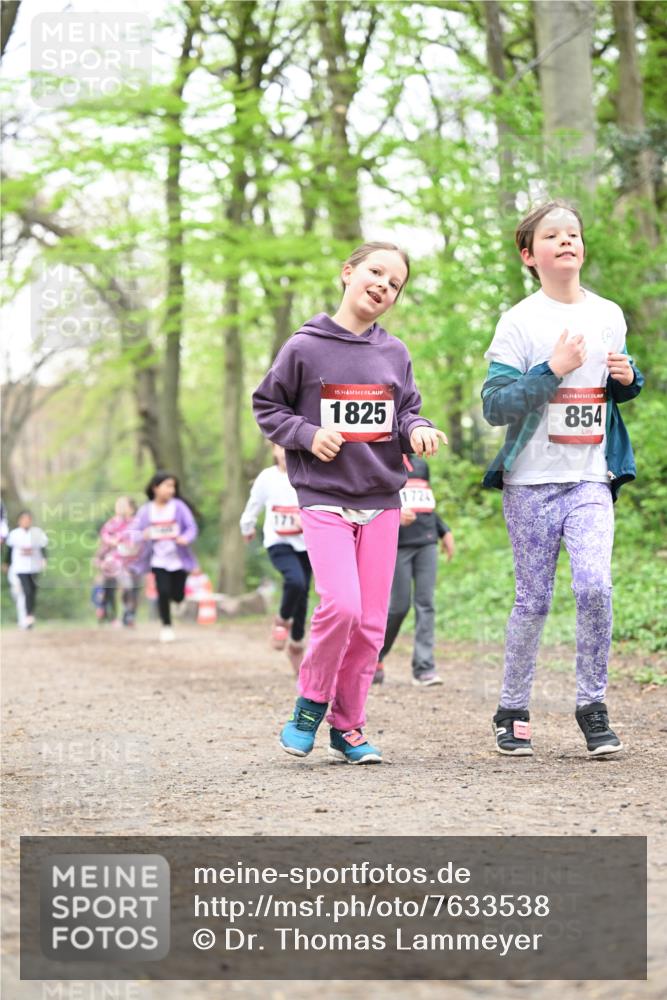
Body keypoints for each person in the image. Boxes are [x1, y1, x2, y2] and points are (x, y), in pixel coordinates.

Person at [253, 241, 447, 764]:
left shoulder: (394, 353)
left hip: (382, 498)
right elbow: (267, 405)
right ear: (348, 273)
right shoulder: (305, 347)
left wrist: (420, 429)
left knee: (370, 622)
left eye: (394, 283)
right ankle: (310, 703)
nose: (383, 285)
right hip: (324, 498)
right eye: (375, 272)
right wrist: (306, 433)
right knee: (341, 605)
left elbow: (405, 413)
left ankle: (349, 727)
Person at [482, 201, 644, 758]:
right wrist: (550, 367)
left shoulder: (609, 314)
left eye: (573, 233)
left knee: (595, 587)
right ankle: (512, 710)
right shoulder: (519, 321)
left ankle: (592, 705)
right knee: (533, 599)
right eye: (553, 235)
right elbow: (496, 406)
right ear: (530, 255)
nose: (567, 241)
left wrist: (628, 377)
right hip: (530, 481)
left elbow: (614, 387)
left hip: (590, 478)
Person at [373, 453, 454, 687]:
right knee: (398, 607)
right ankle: (374, 656)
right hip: (396, 545)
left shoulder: (420, 465)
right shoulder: (379, 461)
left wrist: (444, 531)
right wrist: (394, 516)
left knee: (426, 604)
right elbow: (370, 504)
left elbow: (426, 505)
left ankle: (424, 668)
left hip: (427, 542)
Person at [240, 443, 312, 675]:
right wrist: (247, 526)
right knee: (295, 581)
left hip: (307, 543)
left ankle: (296, 644)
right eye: (280, 448)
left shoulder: (309, 472)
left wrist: (307, 520)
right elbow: (254, 504)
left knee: (303, 596)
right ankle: (281, 620)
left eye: (289, 448)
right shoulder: (267, 478)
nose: (284, 453)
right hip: (278, 542)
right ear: (273, 450)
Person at [130, 472, 198, 642]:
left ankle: (178, 601)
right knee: (163, 592)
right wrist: (143, 535)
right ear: (155, 487)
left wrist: (185, 538)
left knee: (177, 595)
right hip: (157, 559)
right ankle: (166, 626)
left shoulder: (179, 507)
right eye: (167, 486)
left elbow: (191, 527)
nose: (171, 490)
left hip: (179, 559)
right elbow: (133, 533)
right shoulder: (146, 511)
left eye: (173, 486)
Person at [95, 497, 141, 626]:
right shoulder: (112, 523)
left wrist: (134, 545)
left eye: (122, 505)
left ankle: (129, 614)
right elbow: (104, 535)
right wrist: (112, 541)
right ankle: (106, 611)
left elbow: (141, 538)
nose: (119, 507)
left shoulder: (137, 523)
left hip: (133, 561)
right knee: (110, 586)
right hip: (114, 560)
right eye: (117, 505)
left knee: (131, 589)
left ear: (131, 509)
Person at [5, 510, 48, 629]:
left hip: (34, 567)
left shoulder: (37, 533)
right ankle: (28, 616)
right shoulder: (14, 534)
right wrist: (6, 563)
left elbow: (43, 548)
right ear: (19, 521)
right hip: (20, 567)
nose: (26, 522)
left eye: (28, 519)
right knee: (27, 590)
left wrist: (44, 559)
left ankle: (29, 615)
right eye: (24, 519)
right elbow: (9, 551)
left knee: (32, 591)